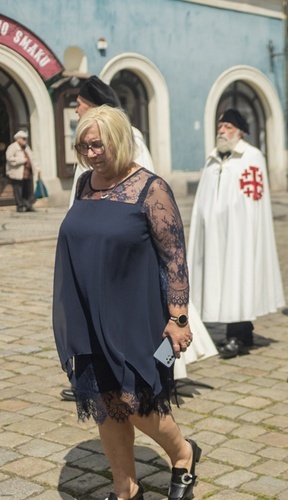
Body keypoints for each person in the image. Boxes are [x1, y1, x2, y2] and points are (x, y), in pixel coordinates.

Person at [53, 105, 200, 500]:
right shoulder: (85, 184)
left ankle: (183, 453)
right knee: (106, 401)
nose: (90, 153)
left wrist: (179, 319)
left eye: (97, 144)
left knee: (136, 399)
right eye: (83, 146)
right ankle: (125, 488)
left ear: (118, 140)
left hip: (135, 314)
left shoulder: (151, 189)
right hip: (88, 310)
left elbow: (174, 258)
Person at [187, 109, 285, 359]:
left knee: (238, 277)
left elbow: (253, 200)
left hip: (240, 232)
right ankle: (241, 329)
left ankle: (238, 333)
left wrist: (245, 228)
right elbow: (204, 200)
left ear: (240, 131)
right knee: (219, 279)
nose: (222, 131)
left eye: (228, 126)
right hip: (215, 233)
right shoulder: (212, 160)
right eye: (220, 126)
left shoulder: (251, 157)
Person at [70, 76, 154, 207]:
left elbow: (144, 191)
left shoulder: (130, 140)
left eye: (79, 104)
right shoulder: (85, 141)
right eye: (85, 147)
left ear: (93, 107)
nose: (76, 109)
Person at [5, 130, 39, 212]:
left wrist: (36, 167)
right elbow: (9, 158)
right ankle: (20, 206)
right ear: (18, 139)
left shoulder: (27, 147)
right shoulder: (12, 147)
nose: (25, 140)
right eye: (23, 139)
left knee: (27, 190)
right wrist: (21, 160)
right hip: (17, 173)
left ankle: (28, 205)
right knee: (18, 191)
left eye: (25, 139)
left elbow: (32, 158)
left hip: (27, 173)